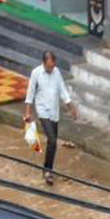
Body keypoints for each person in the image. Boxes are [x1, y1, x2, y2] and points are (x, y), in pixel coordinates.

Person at [24, 50, 77, 185]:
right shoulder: (36, 73)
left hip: (54, 112)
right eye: (48, 67)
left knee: (52, 143)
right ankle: (47, 171)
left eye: (52, 66)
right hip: (42, 111)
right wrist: (28, 112)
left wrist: (71, 107)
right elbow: (30, 93)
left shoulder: (57, 72)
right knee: (52, 140)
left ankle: (49, 168)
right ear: (44, 63)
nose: (50, 69)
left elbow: (63, 90)